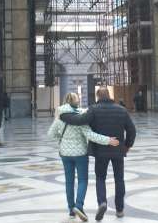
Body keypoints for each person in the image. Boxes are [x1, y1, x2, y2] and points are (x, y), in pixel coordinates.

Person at [61, 88, 136, 221]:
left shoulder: (94, 109)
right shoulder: (121, 110)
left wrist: (63, 115)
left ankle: (102, 202)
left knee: (100, 178)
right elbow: (132, 130)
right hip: (118, 150)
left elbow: (79, 120)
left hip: (100, 151)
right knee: (120, 179)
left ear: (97, 97)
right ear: (110, 95)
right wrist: (127, 146)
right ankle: (119, 209)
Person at [48, 93, 120, 222]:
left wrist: (62, 139)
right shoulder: (81, 117)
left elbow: (50, 134)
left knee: (69, 182)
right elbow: (90, 135)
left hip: (65, 154)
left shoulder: (60, 117)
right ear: (77, 101)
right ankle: (79, 206)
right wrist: (108, 140)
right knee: (82, 181)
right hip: (80, 153)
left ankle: (71, 210)